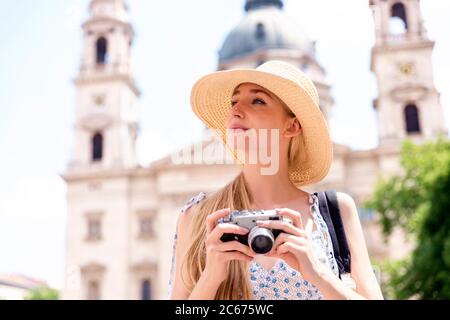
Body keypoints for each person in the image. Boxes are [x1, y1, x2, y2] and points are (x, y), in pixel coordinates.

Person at [168, 60, 383, 300]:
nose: (235, 110)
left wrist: (318, 272)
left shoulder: (336, 211)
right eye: (233, 101)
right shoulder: (197, 216)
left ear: (292, 126)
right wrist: (211, 277)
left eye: (257, 100)